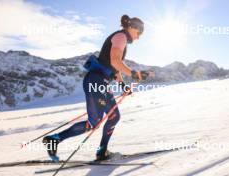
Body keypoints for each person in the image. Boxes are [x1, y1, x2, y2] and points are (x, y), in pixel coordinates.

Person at [43, 14, 150, 161]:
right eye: (139, 33)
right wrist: (133, 73)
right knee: (94, 122)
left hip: (102, 82)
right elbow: (115, 60)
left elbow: (115, 67)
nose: (138, 38)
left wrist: (122, 85)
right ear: (131, 27)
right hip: (96, 81)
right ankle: (54, 139)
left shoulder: (122, 39)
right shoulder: (121, 37)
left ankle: (102, 152)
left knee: (114, 116)